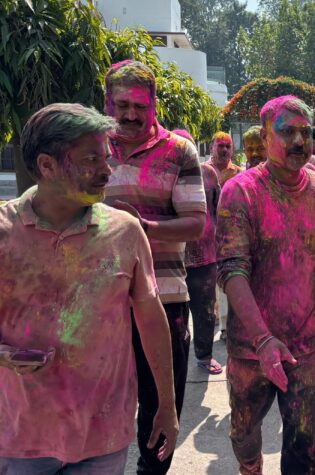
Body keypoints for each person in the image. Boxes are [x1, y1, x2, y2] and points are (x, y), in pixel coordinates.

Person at [0, 103, 178, 473]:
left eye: (106, 157)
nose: (106, 170)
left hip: (103, 436)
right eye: (91, 160)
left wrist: (167, 402)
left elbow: (150, 317)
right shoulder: (4, 232)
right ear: (47, 165)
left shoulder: (125, 232)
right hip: (19, 436)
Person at [216, 95, 315, 474]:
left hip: (305, 346)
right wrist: (263, 340)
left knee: (303, 447)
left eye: (306, 132)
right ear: (265, 137)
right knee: (243, 434)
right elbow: (232, 270)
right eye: (286, 132)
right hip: (252, 349)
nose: (299, 141)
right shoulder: (240, 191)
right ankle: (251, 467)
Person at [102, 60, 206, 474]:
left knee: (160, 412)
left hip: (164, 300)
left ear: (154, 105)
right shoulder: (88, 147)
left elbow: (196, 223)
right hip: (95, 303)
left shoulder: (179, 151)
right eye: (122, 105)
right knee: (94, 409)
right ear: (106, 103)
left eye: (140, 106)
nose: (130, 115)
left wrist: (140, 227)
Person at [176, 130, 223, 375]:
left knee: (205, 311)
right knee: (176, 313)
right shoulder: (163, 173)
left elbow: (219, 210)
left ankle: (204, 356)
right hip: (172, 258)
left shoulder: (208, 173)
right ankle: (176, 356)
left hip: (205, 256)